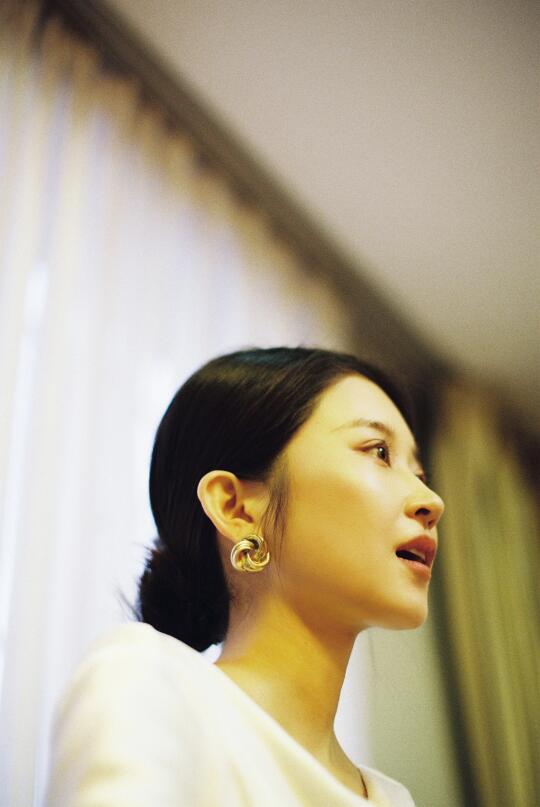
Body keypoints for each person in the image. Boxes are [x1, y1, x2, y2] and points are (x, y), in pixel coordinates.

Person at [45, 345, 445, 806]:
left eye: (419, 473)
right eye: (379, 452)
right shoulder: (146, 686)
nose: (432, 501)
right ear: (235, 508)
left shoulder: (393, 798)